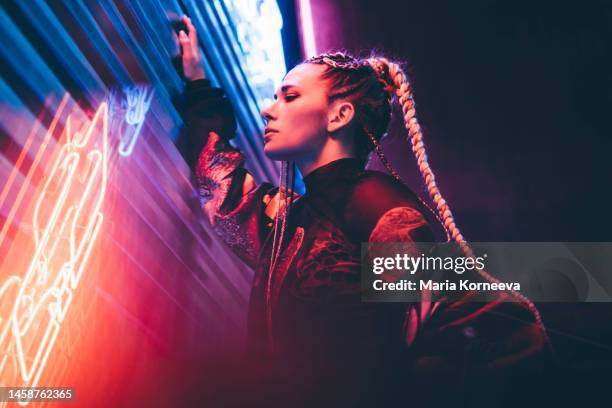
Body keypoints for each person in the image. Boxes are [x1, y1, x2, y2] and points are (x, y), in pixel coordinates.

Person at [175, 15, 549, 407]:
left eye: (290, 96)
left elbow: (487, 322)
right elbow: (224, 188)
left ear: (340, 116)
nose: (269, 111)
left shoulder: (371, 200)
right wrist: (199, 86)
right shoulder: (293, 219)